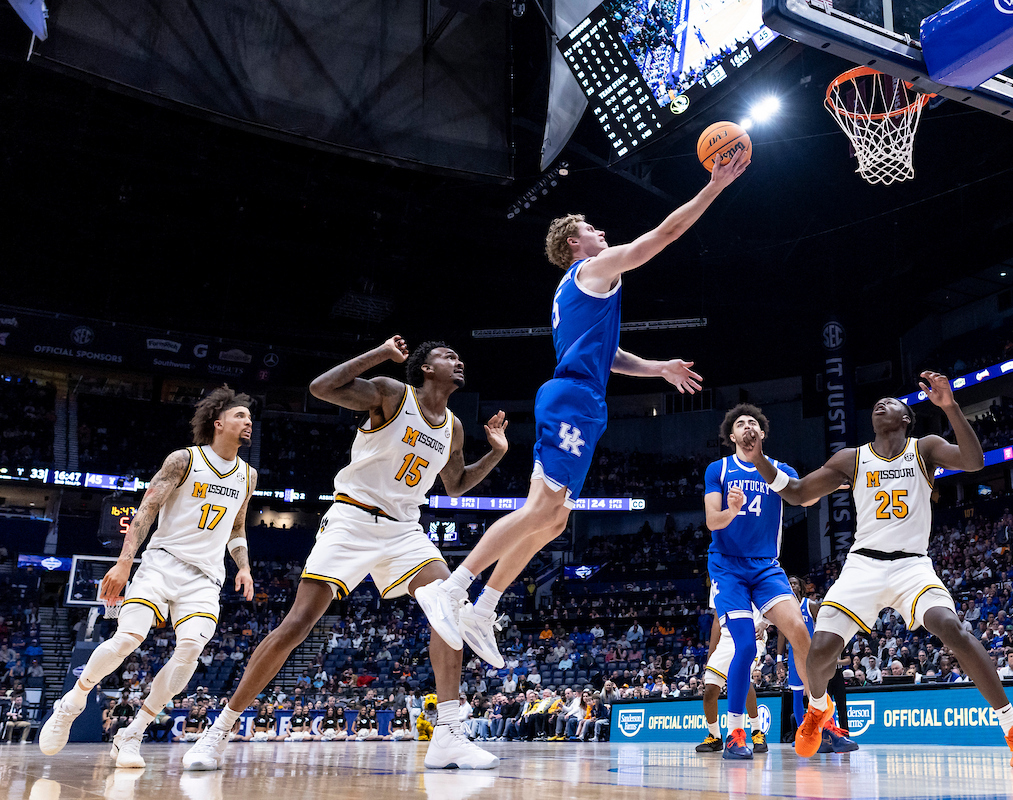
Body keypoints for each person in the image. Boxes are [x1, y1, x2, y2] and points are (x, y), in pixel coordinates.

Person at [418, 152, 751, 668]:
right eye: (593, 228)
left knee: (552, 522)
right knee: (538, 512)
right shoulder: (591, 269)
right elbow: (659, 237)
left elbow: (611, 356)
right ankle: (455, 588)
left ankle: (482, 610)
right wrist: (714, 187)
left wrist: (658, 367)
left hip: (581, 398)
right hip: (573, 398)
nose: (602, 233)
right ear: (576, 243)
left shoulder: (583, 293)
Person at [183, 338, 508, 772]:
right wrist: (380, 354)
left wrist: (497, 453)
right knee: (297, 625)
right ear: (425, 369)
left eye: (456, 356)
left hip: (404, 529)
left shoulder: (454, 427)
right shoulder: (393, 394)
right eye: (447, 356)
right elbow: (321, 387)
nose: (458, 360)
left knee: (448, 604)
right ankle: (218, 731)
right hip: (352, 519)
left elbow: (456, 484)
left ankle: (449, 735)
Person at [766, 374, 1013, 768]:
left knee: (953, 628)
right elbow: (797, 494)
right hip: (862, 565)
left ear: (907, 417)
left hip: (912, 564)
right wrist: (760, 459)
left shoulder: (924, 448)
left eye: (890, 402)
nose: (880, 405)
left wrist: (949, 407)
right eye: (876, 403)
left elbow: (974, 461)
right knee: (822, 647)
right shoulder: (852, 458)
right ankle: (817, 709)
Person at [40, 387, 257, 768]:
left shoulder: (248, 475)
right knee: (128, 637)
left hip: (205, 578)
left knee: (189, 652)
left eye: (249, 417)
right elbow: (146, 510)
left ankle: (132, 734)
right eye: (240, 416)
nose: (248, 421)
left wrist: (243, 565)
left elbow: (237, 528)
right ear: (219, 423)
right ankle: (72, 701)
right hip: (161, 564)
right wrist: (125, 562)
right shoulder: (184, 460)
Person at [701, 403, 815, 759]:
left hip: (766, 566)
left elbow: (805, 497)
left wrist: (826, 487)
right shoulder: (718, 469)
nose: (747, 426)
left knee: (800, 631)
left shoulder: (779, 470)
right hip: (728, 568)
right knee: (745, 648)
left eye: (753, 422)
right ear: (731, 436)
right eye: (740, 423)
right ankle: (736, 732)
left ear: (762, 434)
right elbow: (712, 522)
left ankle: (819, 719)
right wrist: (732, 510)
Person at [778, 576, 856, 754]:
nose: (792, 586)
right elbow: (782, 635)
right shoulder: (784, 608)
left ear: (801, 587)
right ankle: (803, 733)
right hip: (794, 656)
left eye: (795, 583)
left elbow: (824, 624)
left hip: (812, 654)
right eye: (789, 583)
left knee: (821, 693)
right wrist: (778, 660)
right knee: (797, 697)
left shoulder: (809, 605)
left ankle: (832, 733)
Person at [694, 604, 767, 754]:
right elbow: (716, 620)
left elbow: (770, 605)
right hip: (727, 635)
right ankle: (714, 736)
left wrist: (764, 624)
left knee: (743, 678)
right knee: (710, 688)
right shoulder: (717, 582)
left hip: (752, 631)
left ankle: (757, 731)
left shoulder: (751, 580)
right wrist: (711, 652)